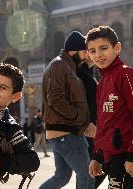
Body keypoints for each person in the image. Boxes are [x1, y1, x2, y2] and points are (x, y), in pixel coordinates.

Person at [87, 25, 133, 189]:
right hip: (111, 155)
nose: (98, 54)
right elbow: (103, 121)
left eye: (103, 48)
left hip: (129, 155)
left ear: (117, 48)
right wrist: (97, 155)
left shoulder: (127, 75)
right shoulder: (102, 83)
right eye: (92, 51)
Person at [40, 31, 95, 189]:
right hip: (66, 133)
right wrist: (81, 120)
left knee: (62, 177)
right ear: (74, 50)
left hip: (63, 133)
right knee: (87, 176)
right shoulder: (59, 65)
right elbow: (55, 99)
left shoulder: (69, 66)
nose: (86, 55)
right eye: (84, 51)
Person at [77, 55, 106, 188]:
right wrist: (85, 123)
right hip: (89, 126)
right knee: (95, 165)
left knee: (99, 165)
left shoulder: (90, 72)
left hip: (97, 124)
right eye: (91, 51)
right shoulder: (80, 72)